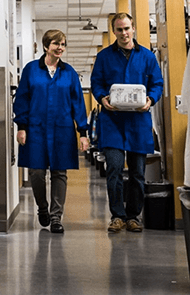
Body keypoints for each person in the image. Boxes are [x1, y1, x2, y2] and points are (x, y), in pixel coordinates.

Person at [90, 13, 164, 233]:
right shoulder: (104, 57)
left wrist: (150, 99)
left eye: (127, 29)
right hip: (112, 122)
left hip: (138, 122)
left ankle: (133, 216)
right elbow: (96, 83)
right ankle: (117, 215)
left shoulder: (148, 57)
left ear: (134, 29)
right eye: (119, 29)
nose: (124, 33)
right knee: (113, 168)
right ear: (114, 31)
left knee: (137, 172)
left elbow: (157, 84)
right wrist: (102, 97)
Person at [13, 29, 90, 234]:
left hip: (62, 129)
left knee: (59, 172)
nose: (60, 48)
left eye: (63, 44)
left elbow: (78, 104)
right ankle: (42, 207)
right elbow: (22, 99)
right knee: (36, 172)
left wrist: (82, 132)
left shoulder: (69, 73)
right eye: (56, 43)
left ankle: (56, 217)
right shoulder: (31, 70)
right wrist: (21, 127)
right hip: (35, 128)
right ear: (46, 46)